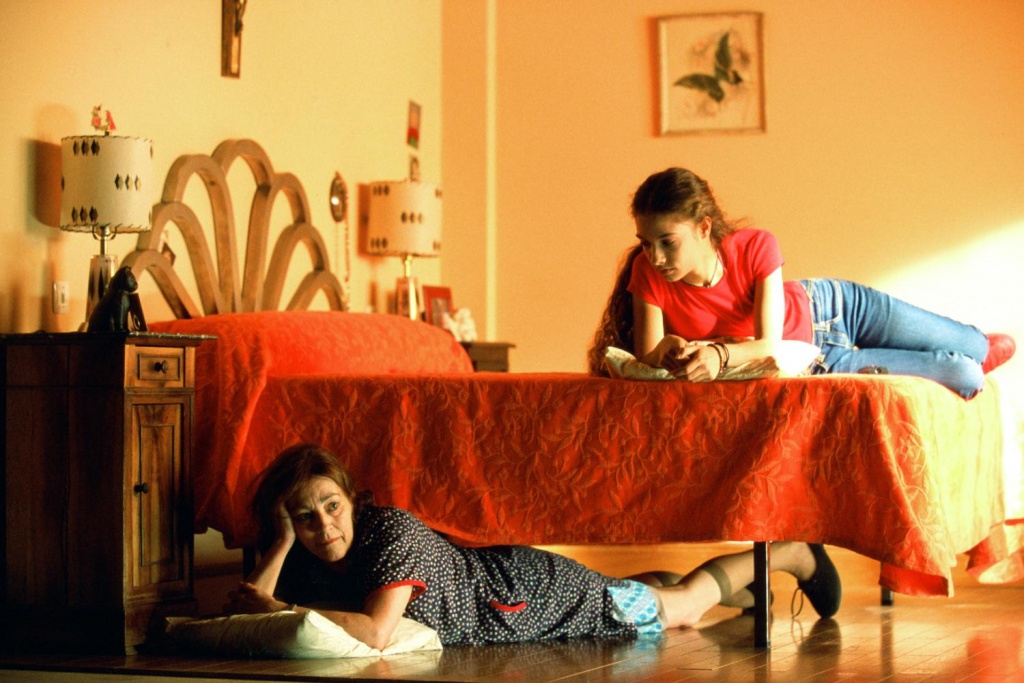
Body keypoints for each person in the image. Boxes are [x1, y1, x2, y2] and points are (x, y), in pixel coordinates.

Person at [223, 443, 842, 648]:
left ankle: (791, 553)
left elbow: (376, 633)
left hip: (529, 593)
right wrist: (280, 543)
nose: (324, 526)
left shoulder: (391, 532)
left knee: (678, 610)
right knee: (648, 598)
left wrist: (277, 609)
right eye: (304, 518)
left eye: (331, 506)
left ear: (352, 499)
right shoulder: (304, 545)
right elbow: (247, 610)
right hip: (511, 586)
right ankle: (745, 590)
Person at [588, 167, 1015, 399]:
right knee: (963, 373)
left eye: (668, 242)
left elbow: (769, 342)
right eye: (646, 243)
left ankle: (978, 346)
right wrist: (669, 346)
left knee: (974, 347)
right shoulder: (647, 273)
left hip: (837, 307)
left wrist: (719, 354)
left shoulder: (756, 245)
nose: (656, 257)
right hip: (815, 360)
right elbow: (647, 356)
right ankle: (969, 361)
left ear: (703, 228)